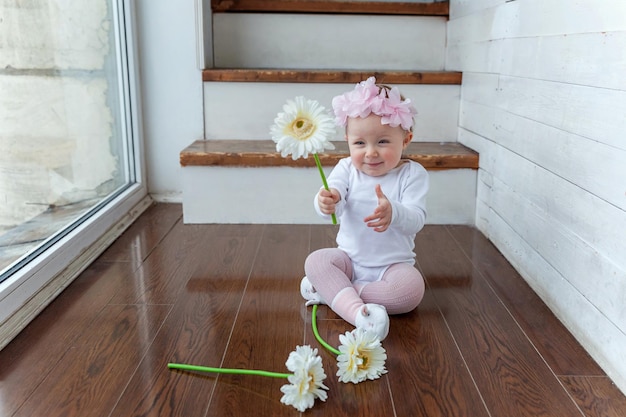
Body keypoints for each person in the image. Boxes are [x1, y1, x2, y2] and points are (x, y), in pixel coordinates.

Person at [300, 77, 429, 340]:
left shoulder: (412, 174)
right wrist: (326, 201)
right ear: (347, 140)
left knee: (411, 291)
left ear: (406, 139)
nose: (370, 152)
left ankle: (335, 293)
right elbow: (333, 195)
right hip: (349, 261)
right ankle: (360, 314)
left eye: (382, 142)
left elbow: (416, 219)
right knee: (316, 261)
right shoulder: (347, 168)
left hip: (391, 267)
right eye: (360, 143)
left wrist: (394, 213)